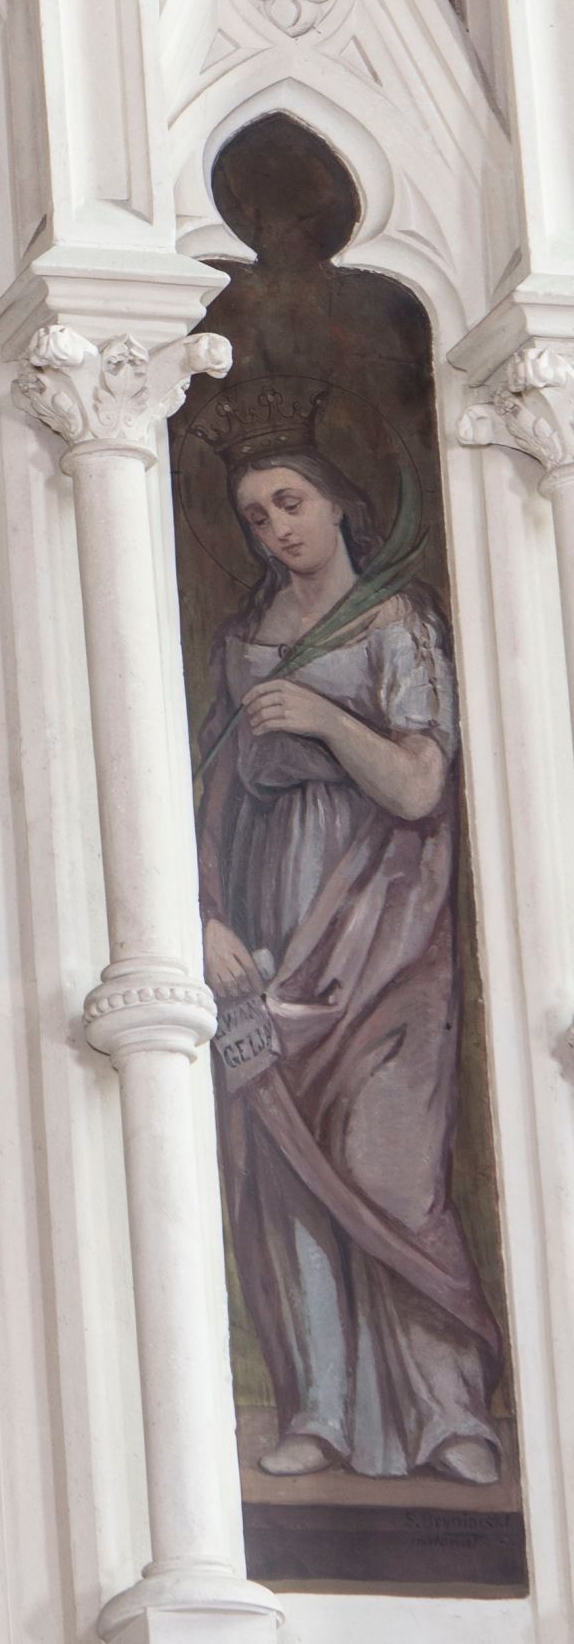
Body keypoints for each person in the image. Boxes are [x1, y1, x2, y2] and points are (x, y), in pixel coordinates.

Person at [196, 440, 505, 1485]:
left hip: (384, 922)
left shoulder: (397, 623)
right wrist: (205, 918)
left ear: (337, 504)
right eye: (255, 516)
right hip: (268, 919)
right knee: (286, 1168)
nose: (276, 529)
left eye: (290, 502)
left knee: (390, 1167)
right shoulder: (242, 643)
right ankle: (320, 1410)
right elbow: (206, 798)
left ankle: (448, 1413)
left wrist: (325, 716)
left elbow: (419, 785)